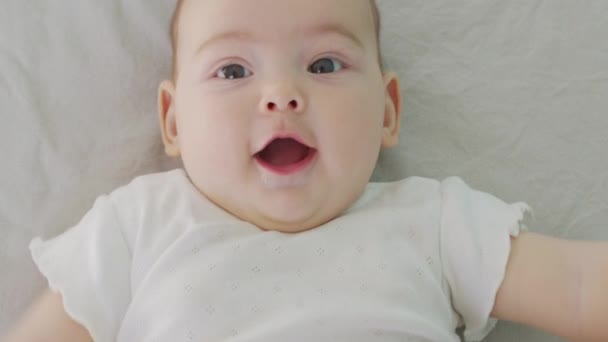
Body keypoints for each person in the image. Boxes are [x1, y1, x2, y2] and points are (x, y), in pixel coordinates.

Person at [4, 0, 607, 341]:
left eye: (324, 63)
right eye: (233, 71)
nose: (283, 94)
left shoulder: (434, 221)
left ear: (388, 112)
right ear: (174, 122)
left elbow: (580, 289)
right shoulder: (139, 224)